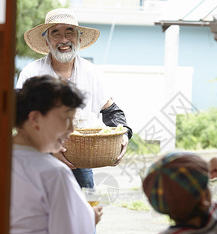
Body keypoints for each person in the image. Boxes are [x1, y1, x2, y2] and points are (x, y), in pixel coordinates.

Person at [9, 75, 127, 234]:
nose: (72, 129)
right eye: (66, 120)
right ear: (35, 119)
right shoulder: (54, 173)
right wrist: (89, 220)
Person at [15, 7, 132, 189]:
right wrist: (50, 148)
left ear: (78, 38)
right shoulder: (32, 73)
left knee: (86, 210)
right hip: (38, 157)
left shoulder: (92, 73)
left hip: (81, 160)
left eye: (69, 32)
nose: (64, 40)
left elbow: (111, 111)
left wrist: (124, 134)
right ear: (46, 41)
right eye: (56, 33)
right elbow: (20, 120)